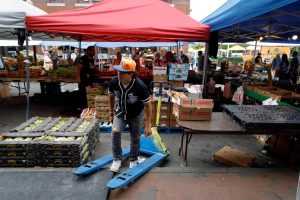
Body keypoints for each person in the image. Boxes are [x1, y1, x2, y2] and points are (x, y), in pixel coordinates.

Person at [108, 58, 152, 172]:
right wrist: (111, 112)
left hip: (136, 114)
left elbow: (148, 105)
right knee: (115, 133)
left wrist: (148, 125)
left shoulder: (140, 86)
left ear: (131, 74)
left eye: (122, 72)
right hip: (120, 112)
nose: (119, 74)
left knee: (135, 137)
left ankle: (133, 159)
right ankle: (117, 159)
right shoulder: (114, 82)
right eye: (118, 71)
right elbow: (111, 96)